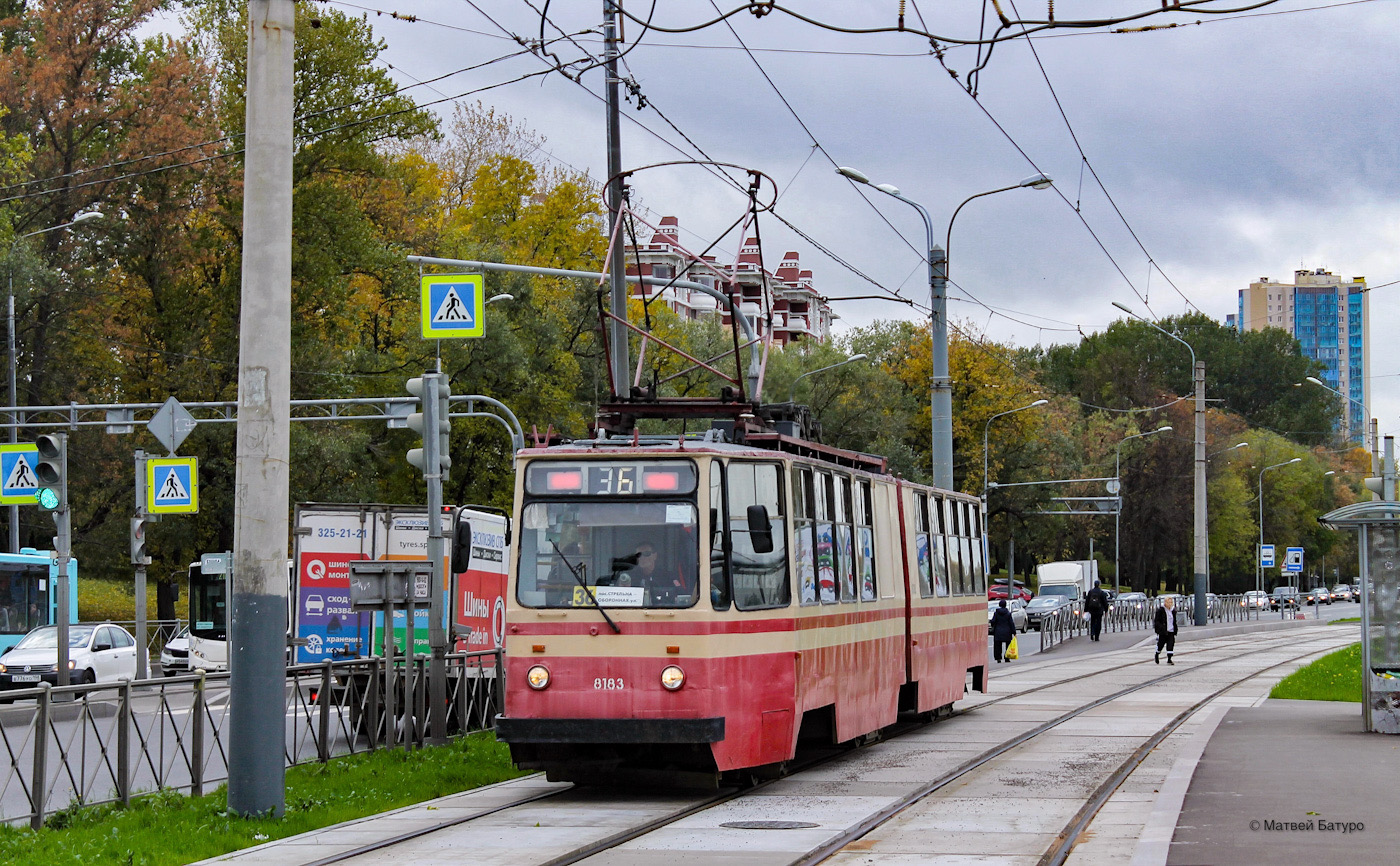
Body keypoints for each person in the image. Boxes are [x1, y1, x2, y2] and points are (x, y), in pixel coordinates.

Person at [1153, 595, 1179, 665]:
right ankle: (1157, 654)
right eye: (1168, 602)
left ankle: (1169, 659)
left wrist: (1175, 629)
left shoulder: (1173, 611)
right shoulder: (1161, 611)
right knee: (1160, 644)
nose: (1169, 604)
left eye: (1171, 602)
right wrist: (1160, 628)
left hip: (1171, 631)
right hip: (1163, 631)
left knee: (1170, 644)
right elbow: (1157, 621)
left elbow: (1174, 621)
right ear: (1165, 603)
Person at [990, 599, 1016, 663]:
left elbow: (993, 621)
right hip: (1007, 632)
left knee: (997, 646)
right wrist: (1014, 632)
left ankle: (998, 658)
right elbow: (1011, 623)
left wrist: (993, 624)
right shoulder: (1008, 614)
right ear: (1005, 605)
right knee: (1008, 645)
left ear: (999, 605)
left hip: (998, 632)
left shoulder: (996, 613)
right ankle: (1007, 657)